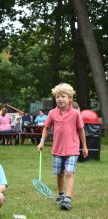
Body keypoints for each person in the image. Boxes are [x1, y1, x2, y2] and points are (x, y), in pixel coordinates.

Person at [37, 83, 88, 211]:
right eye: (57, 96)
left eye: (63, 96)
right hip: (57, 149)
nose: (60, 99)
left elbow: (81, 130)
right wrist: (42, 142)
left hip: (72, 149)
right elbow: (46, 128)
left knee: (69, 173)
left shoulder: (76, 113)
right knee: (59, 174)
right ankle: (60, 194)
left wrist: (85, 147)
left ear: (70, 98)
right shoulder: (52, 113)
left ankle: (68, 199)